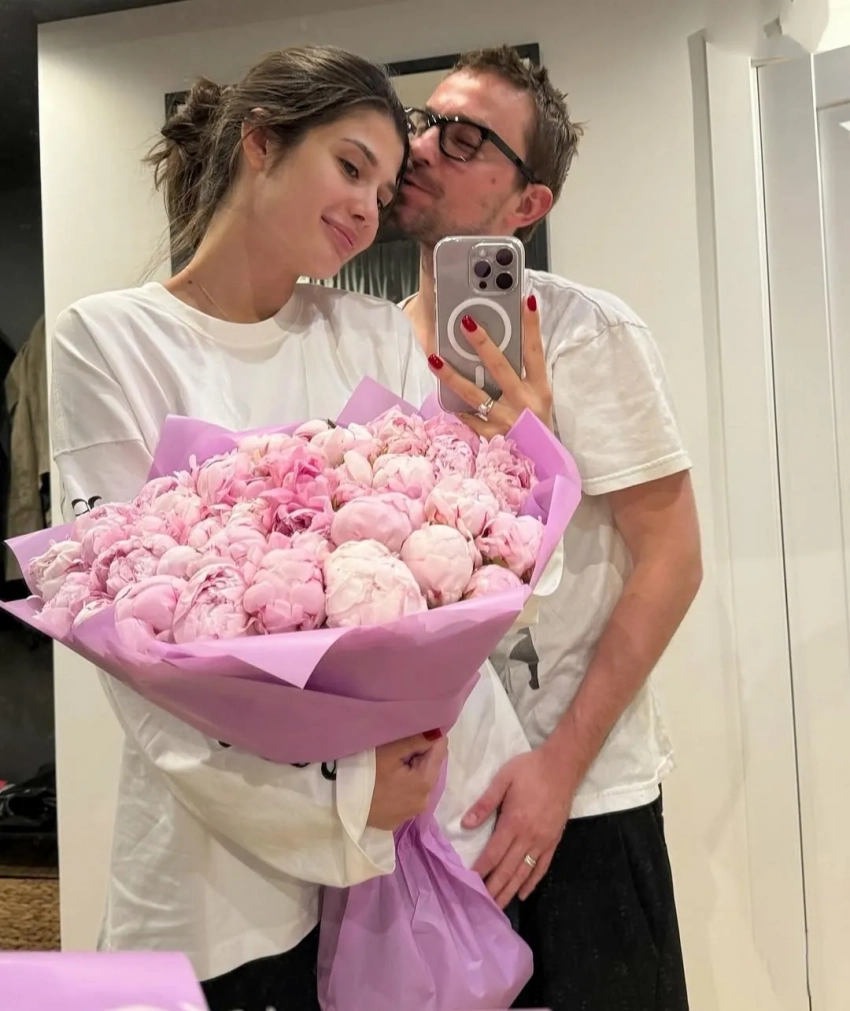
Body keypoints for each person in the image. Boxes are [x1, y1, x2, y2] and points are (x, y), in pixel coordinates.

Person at [48, 47, 532, 1011]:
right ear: (261, 144)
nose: (367, 209)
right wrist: (334, 799)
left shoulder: (373, 333)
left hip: (404, 852)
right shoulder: (106, 340)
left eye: (383, 191)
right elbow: (130, 648)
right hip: (216, 873)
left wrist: (514, 465)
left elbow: (445, 588)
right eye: (350, 166)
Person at [396, 46, 703, 1011]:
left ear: (529, 204)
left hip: (586, 797)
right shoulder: (366, 345)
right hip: (423, 813)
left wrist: (560, 770)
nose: (423, 146)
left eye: (466, 138)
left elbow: (672, 558)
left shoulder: (588, 333)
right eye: (425, 121)